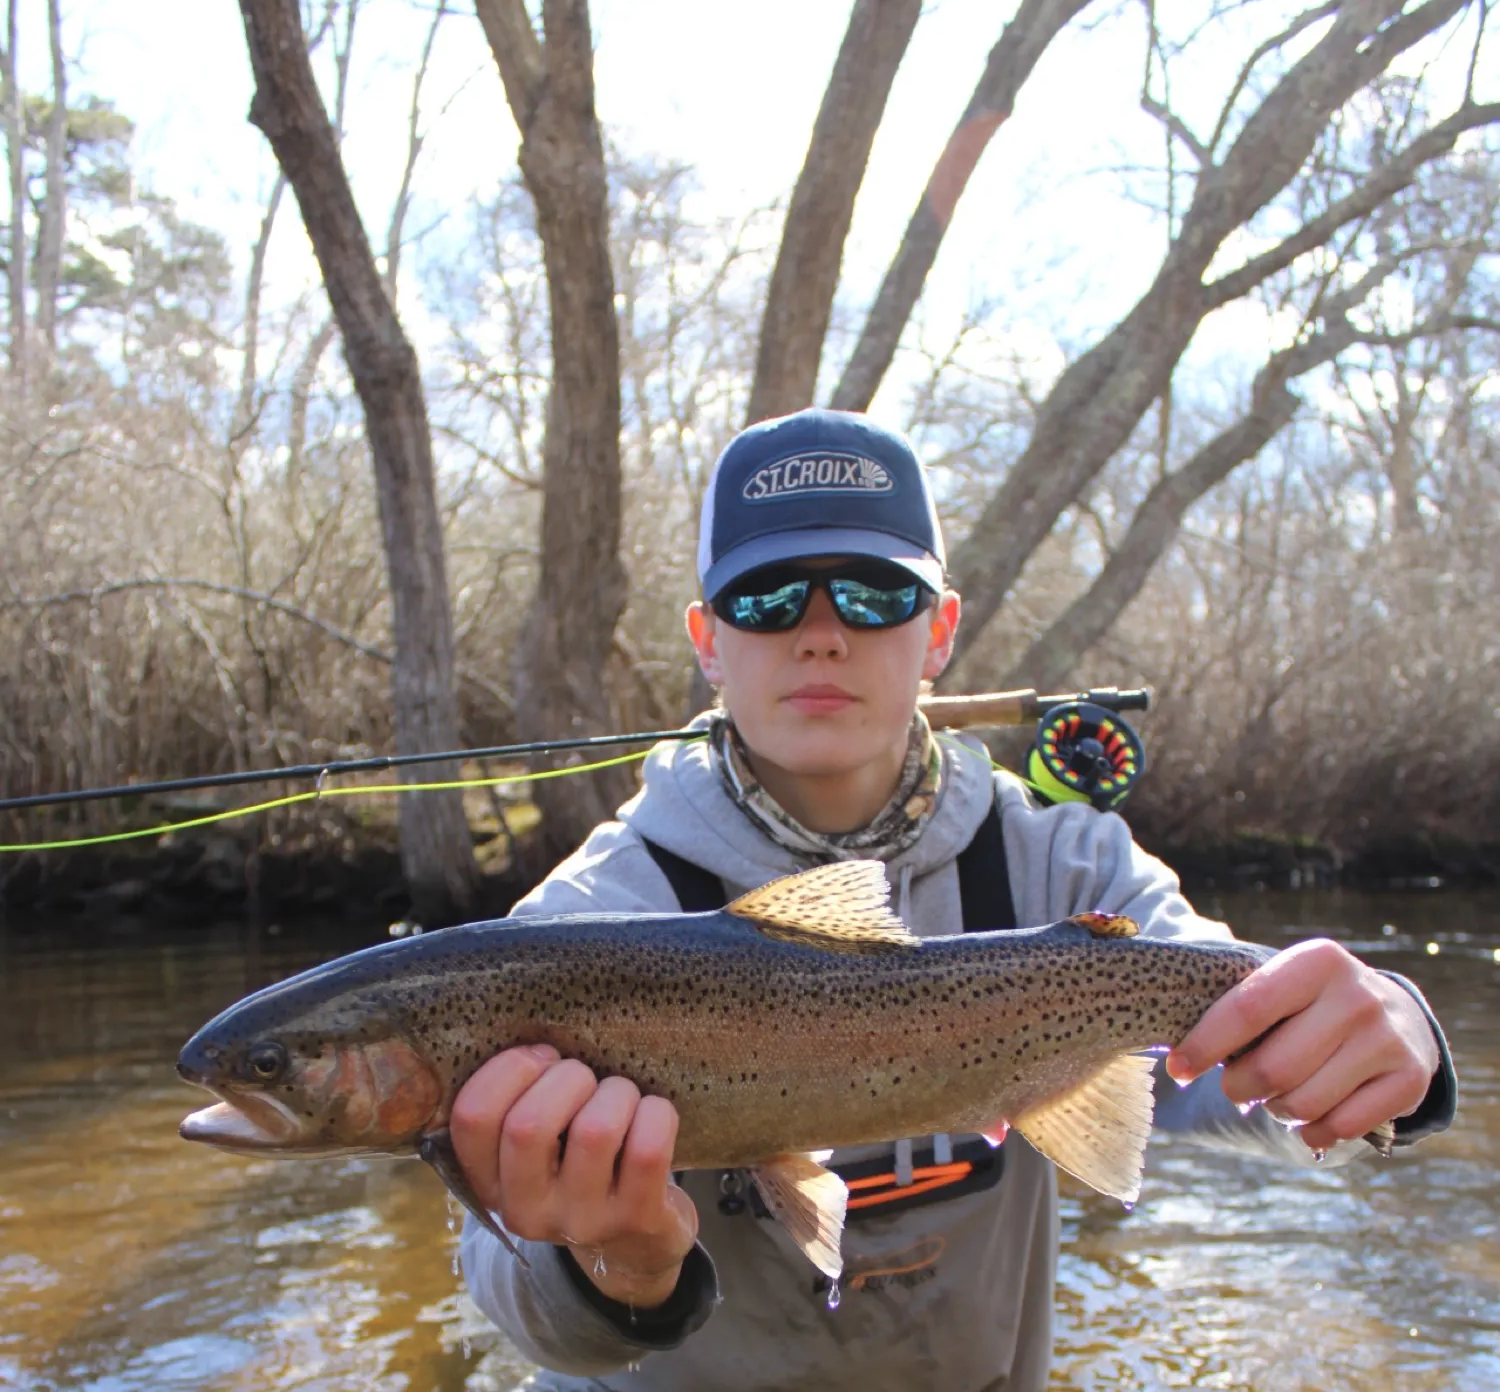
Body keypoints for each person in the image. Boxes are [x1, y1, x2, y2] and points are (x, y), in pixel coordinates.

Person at [453, 409, 1454, 1392]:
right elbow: (512, 1293)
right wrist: (621, 1268)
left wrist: (1387, 1039)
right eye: (765, 600)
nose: (821, 635)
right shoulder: (583, 921)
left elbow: (1237, 1050)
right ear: (707, 640)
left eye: (872, 593)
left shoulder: (1063, 865)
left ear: (939, 630)